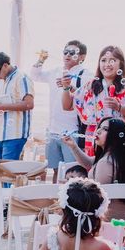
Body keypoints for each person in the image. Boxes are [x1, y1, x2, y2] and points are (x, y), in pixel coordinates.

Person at [62, 45, 125, 156]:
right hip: (95, 138)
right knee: (95, 170)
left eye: (112, 60)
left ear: (121, 63)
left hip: (121, 137)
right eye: (103, 60)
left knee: (118, 171)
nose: (107, 64)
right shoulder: (91, 85)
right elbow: (67, 106)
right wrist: (66, 87)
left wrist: (119, 107)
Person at [30, 41, 92, 181]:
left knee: (71, 171)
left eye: (72, 53)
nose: (68, 55)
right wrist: (41, 59)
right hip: (53, 130)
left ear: (82, 57)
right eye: (65, 52)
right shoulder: (56, 71)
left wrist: (69, 86)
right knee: (56, 170)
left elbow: (86, 98)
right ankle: (55, 200)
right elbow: (35, 75)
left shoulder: (85, 75)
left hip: (72, 130)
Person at [63, 117, 125, 220]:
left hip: (109, 221)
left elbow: (96, 198)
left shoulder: (106, 162)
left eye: (105, 129)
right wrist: (73, 146)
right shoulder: (119, 157)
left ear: (115, 135)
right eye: (99, 127)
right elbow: (89, 163)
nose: (98, 131)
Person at [0, 52, 34, 161]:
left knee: (8, 174)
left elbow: (29, 104)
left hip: (15, 135)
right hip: (0, 134)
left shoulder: (22, 78)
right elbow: (5, 104)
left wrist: (2, 106)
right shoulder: (0, 83)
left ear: (5, 65)